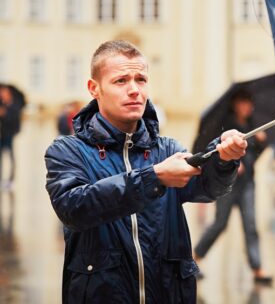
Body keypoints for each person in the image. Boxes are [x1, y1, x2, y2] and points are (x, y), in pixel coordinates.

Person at [44, 40, 248, 304]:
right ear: (94, 88)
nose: (134, 90)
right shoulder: (67, 150)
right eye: (120, 81)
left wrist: (222, 159)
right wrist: (153, 177)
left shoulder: (167, 149)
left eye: (141, 79)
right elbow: (74, 208)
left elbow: (208, 188)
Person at [193, 89, 273, 285]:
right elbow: (216, 152)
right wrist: (232, 163)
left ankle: (257, 268)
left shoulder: (252, 124)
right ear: (235, 104)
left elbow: (254, 155)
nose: (247, 107)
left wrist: (262, 142)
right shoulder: (225, 125)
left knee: (250, 224)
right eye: (243, 103)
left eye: (249, 103)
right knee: (220, 223)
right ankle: (194, 259)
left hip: (247, 184)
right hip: (227, 184)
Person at [0, 85, 23, 189]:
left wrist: (5, 114)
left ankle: (11, 180)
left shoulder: (15, 105)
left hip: (9, 135)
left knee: (11, 157)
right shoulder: (2, 104)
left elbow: (15, 121)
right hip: (1, 135)